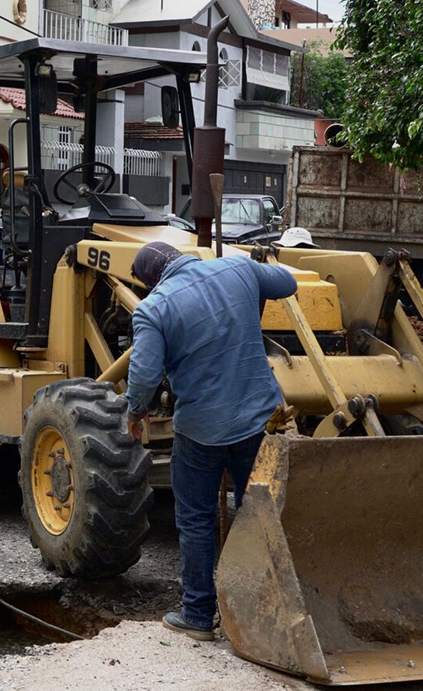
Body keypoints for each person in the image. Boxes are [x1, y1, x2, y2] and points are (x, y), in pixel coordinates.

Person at [124, 241, 298, 641]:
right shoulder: (237, 269)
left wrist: (135, 412)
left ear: (150, 280)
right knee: (260, 512)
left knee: (196, 519)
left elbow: (145, 376)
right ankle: (265, 613)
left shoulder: (154, 308)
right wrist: (255, 277)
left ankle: (199, 615)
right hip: (258, 422)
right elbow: (287, 283)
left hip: (202, 431)